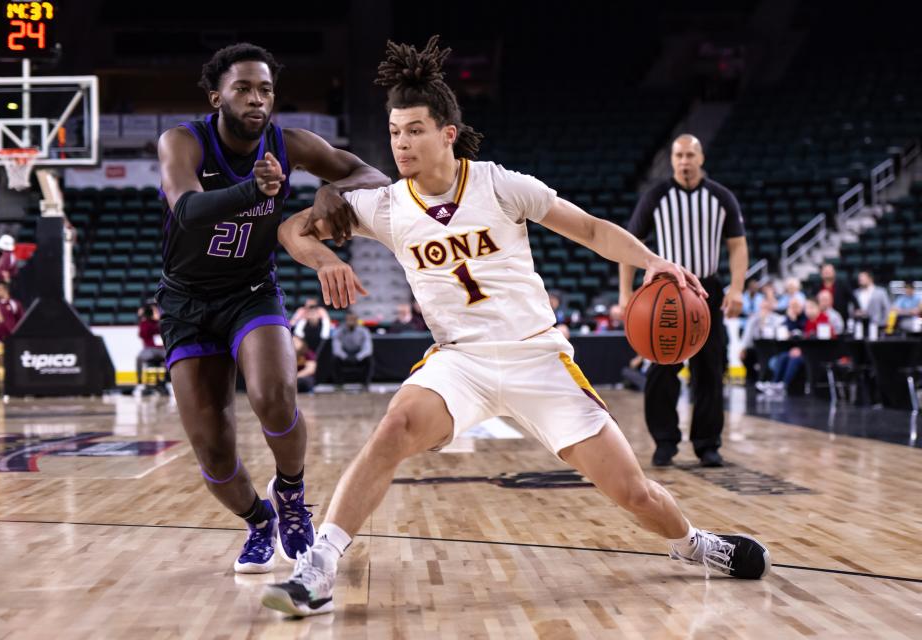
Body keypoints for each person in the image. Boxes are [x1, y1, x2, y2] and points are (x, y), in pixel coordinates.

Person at [262, 36, 770, 617]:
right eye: (395, 131)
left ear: (448, 133)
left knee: (632, 491)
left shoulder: (500, 184)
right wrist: (327, 260)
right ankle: (319, 566)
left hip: (538, 358)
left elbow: (592, 230)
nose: (401, 142)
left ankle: (694, 544)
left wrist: (652, 261)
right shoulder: (384, 206)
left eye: (415, 130)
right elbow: (291, 231)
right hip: (461, 361)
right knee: (395, 426)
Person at [156, 42, 391, 574]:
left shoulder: (291, 143)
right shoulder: (182, 141)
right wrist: (251, 191)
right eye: (243, 88)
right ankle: (258, 519)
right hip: (187, 302)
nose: (256, 98)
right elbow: (189, 210)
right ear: (217, 96)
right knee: (214, 452)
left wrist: (333, 191)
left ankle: (290, 493)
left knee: (275, 395)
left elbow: (371, 175)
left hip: (251, 291)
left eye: (265, 89)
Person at [619, 134, 748, 468]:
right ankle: (665, 441)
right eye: (678, 155)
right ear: (672, 159)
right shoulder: (656, 196)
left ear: (701, 158)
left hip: (707, 291)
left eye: (690, 155)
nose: (684, 161)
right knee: (661, 368)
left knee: (710, 369)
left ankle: (707, 445)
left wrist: (737, 288)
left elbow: (737, 244)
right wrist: (625, 292)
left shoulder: (721, 197)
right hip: (667, 289)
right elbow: (629, 244)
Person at [330, 310, 373, 388]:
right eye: (349, 319)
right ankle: (339, 384)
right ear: (345, 320)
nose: (351, 321)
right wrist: (345, 357)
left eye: (353, 319)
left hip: (358, 355)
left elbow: (368, 349)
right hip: (345, 355)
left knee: (369, 359)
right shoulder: (339, 331)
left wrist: (357, 357)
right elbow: (336, 349)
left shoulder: (364, 331)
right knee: (335, 359)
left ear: (357, 320)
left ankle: (365, 384)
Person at [135, 302, 166, 391]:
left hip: (150, 350)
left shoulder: (144, 324)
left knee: (138, 359)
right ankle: (165, 378)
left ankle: (139, 379)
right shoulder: (158, 323)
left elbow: (141, 335)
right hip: (161, 351)